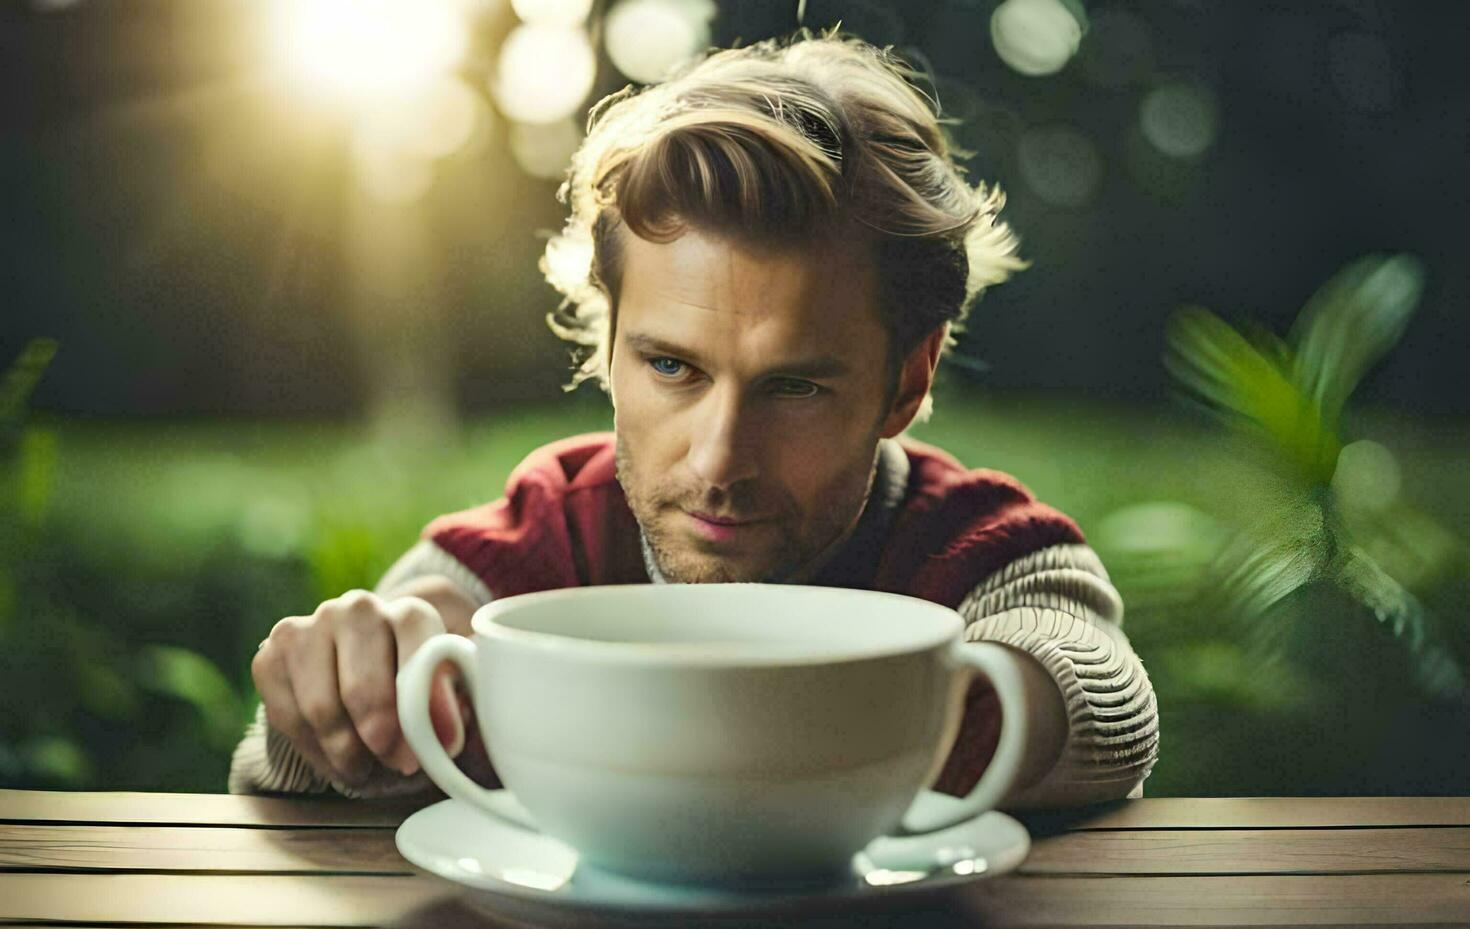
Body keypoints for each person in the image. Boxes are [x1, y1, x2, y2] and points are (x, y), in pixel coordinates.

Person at [229, 31, 1158, 810]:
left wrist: (1003, 697)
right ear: (609, 344)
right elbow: (299, 755)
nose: (719, 461)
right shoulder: (539, 535)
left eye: (794, 388)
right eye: (671, 366)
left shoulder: (977, 547)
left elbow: (1101, 705)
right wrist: (353, 682)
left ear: (906, 381)